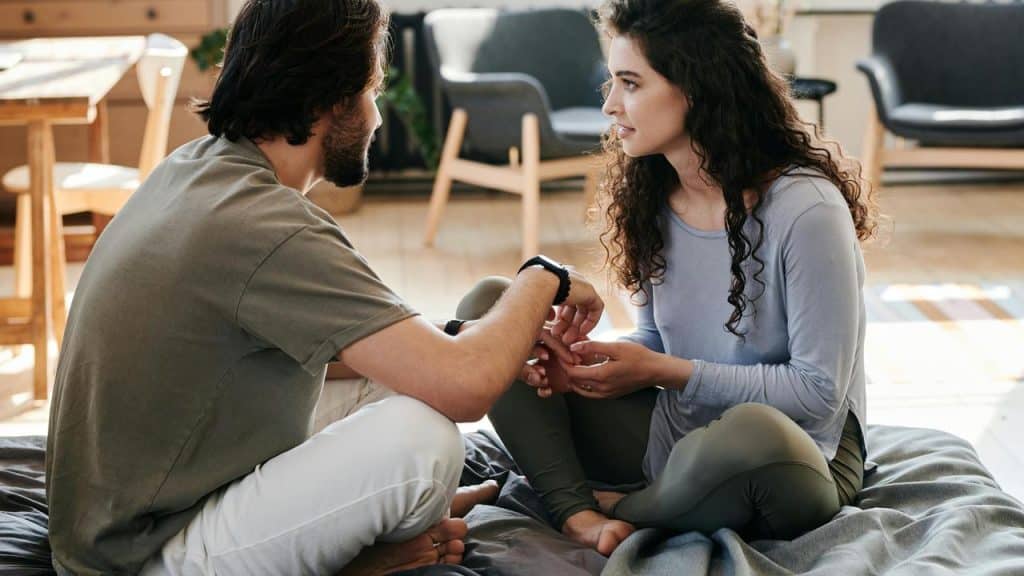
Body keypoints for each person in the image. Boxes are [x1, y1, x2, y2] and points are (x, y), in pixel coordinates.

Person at [43, 0, 605, 574]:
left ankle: (366, 537)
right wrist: (544, 276)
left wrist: (470, 336)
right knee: (424, 439)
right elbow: (465, 388)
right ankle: (360, 558)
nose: (379, 117)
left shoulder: (197, 167)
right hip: (140, 555)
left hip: (122, 513)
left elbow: (349, 349)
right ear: (329, 102)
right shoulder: (268, 228)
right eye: (374, 91)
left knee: (405, 383)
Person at [486, 0, 878, 556]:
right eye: (611, 82)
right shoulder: (651, 193)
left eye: (630, 83)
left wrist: (666, 371)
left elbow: (816, 395)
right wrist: (588, 364)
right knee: (497, 308)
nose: (610, 106)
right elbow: (659, 344)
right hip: (673, 436)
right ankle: (579, 514)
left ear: (696, 88)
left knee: (751, 431)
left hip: (795, 457)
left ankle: (623, 509)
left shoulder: (807, 210)